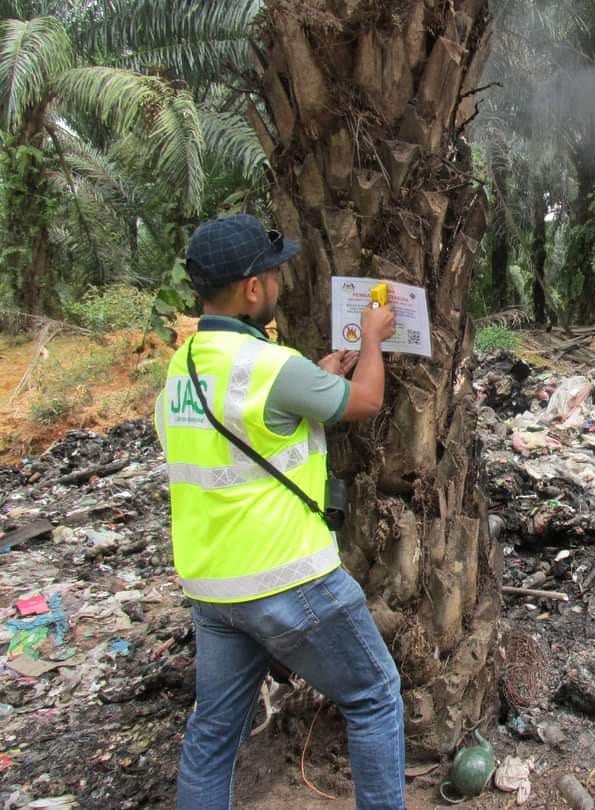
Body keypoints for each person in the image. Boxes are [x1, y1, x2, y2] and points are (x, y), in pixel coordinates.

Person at [153, 214, 404, 810]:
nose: (278, 280)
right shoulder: (269, 365)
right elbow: (366, 400)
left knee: (212, 735)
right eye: (272, 272)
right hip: (289, 578)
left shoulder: (182, 366)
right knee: (374, 694)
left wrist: (314, 381)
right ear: (251, 288)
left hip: (214, 588)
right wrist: (372, 338)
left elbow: (236, 430)